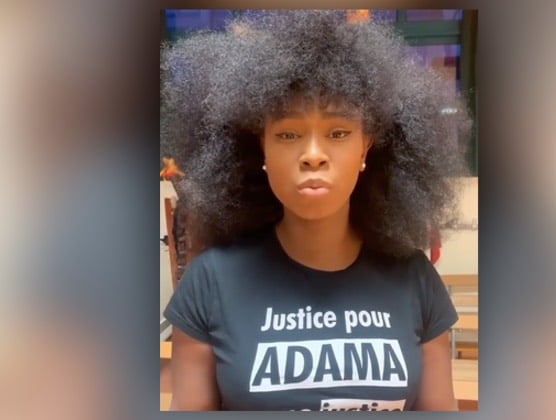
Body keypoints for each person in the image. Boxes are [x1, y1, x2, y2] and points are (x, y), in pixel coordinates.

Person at [161, 10, 471, 411]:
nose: (312, 155)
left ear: (365, 147)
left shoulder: (414, 279)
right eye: (288, 134)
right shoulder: (210, 283)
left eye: (338, 133)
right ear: (261, 149)